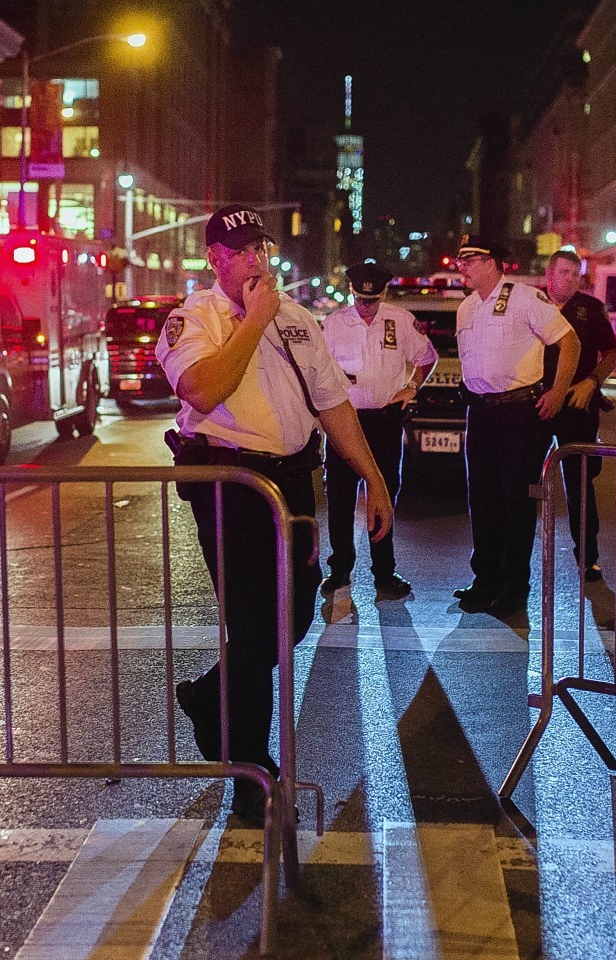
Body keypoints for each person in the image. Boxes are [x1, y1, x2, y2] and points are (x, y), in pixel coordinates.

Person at [157, 203, 392, 827]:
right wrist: (254, 319)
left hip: (291, 482)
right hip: (230, 485)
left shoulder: (297, 320)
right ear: (216, 259)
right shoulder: (193, 318)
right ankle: (250, 772)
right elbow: (204, 389)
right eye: (242, 250)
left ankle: (210, 697)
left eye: (261, 245)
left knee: (291, 618)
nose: (257, 258)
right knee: (255, 627)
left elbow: (333, 403)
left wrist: (374, 476)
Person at [452, 234, 580, 616]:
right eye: (461, 260)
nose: (462, 266)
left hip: (517, 414)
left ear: (492, 262)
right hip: (481, 413)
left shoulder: (524, 297)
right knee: (482, 499)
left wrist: (558, 391)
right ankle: (485, 580)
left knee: (517, 501)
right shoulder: (466, 308)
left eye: (470, 260)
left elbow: (569, 342)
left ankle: (514, 587)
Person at [320, 261, 438, 599]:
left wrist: (412, 387)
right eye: (359, 299)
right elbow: (316, 368)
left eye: (371, 301)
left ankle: (384, 572)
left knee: (383, 494)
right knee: (340, 497)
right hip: (345, 420)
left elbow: (425, 357)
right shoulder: (333, 324)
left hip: (385, 421)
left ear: (383, 293)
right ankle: (339, 568)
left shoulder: (400, 321)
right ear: (352, 292)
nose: (365, 307)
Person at [542, 248, 616, 582]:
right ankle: (515, 558)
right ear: (549, 274)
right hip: (536, 403)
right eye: (564, 273)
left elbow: (613, 355)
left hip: (577, 403)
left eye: (576, 274)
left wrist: (592, 382)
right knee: (524, 482)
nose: (571, 279)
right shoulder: (534, 305)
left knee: (580, 482)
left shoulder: (590, 309)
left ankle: (588, 557)